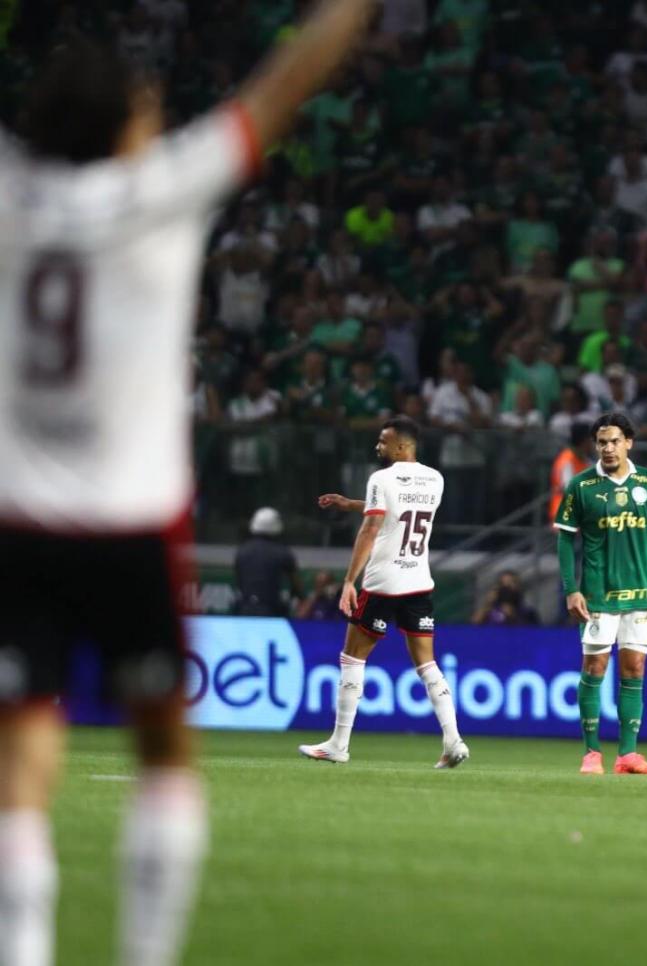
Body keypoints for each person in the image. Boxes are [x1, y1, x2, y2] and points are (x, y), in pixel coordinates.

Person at [0, 4, 377, 965]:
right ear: (127, 126)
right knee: (165, 757)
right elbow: (284, 83)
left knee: (19, 763)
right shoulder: (161, 190)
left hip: (21, 523)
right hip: (129, 523)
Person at [299, 416, 469, 769]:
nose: (377, 446)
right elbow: (400, 511)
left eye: (383, 441)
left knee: (352, 658)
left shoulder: (382, 478)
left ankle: (339, 744)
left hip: (382, 583)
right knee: (427, 664)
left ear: (402, 446)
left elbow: (373, 527)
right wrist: (350, 503)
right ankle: (453, 740)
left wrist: (349, 580)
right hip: (418, 580)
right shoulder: (435, 479)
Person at [553, 413, 647, 776]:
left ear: (629, 443)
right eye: (602, 442)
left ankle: (628, 755)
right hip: (598, 595)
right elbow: (564, 538)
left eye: (614, 441)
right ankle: (592, 753)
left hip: (640, 594)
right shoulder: (582, 485)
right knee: (595, 667)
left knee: (634, 668)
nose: (607, 448)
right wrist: (571, 589)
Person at [233, 507, 302, 617]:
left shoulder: (242, 551)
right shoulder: (282, 552)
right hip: (271, 612)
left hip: (244, 610)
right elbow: (297, 586)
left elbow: (239, 582)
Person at [549, 422, 593, 522]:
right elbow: (569, 489)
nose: (593, 444)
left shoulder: (586, 461)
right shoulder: (566, 460)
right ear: (584, 441)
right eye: (590, 440)